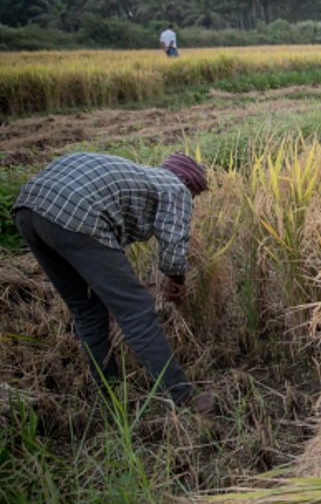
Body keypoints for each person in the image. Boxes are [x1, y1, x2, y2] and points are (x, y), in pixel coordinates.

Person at [12, 152, 215, 413]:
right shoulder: (176, 188)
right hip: (75, 213)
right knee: (136, 310)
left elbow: (104, 251)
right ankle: (183, 397)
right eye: (195, 196)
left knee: (86, 309)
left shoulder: (138, 177)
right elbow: (174, 253)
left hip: (28, 210)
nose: (192, 201)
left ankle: (108, 392)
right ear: (190, 184)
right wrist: (176, 283)